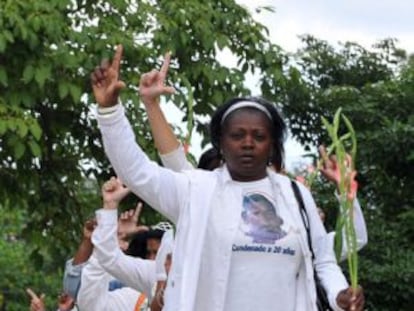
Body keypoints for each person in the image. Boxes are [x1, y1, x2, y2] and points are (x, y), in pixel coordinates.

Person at [91, 44, 365, 311]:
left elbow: (324, 261)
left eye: (259, 136)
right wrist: (110, 111)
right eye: (237, 135)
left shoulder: (295, 194)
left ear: (272, 145)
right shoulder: (194, 190)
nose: (248, 143)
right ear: (221, 142)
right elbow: (136, 171)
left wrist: (339, 294)